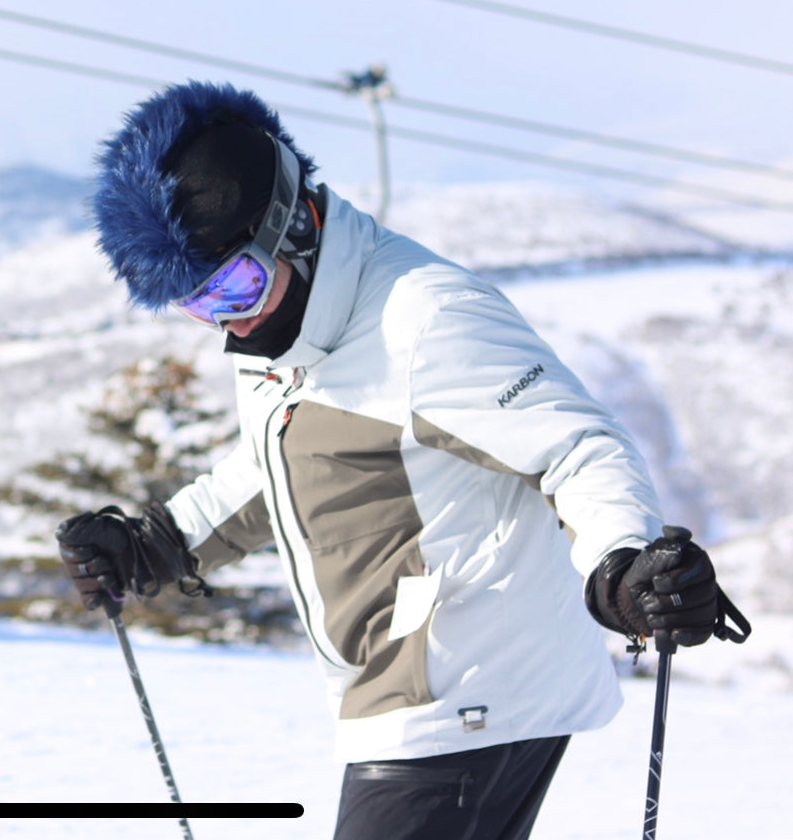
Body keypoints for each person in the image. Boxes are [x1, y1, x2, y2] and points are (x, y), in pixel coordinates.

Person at [56, 81, 748, 839]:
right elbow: (281, 457)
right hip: (415, 692)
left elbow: (577, 446)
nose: (230, 320)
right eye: (200, 304)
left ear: (291, 222)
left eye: (236, 284)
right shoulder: (282, 332)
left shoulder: (424, 318)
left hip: (463, 692)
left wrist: (621, 565)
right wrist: (158, 541)